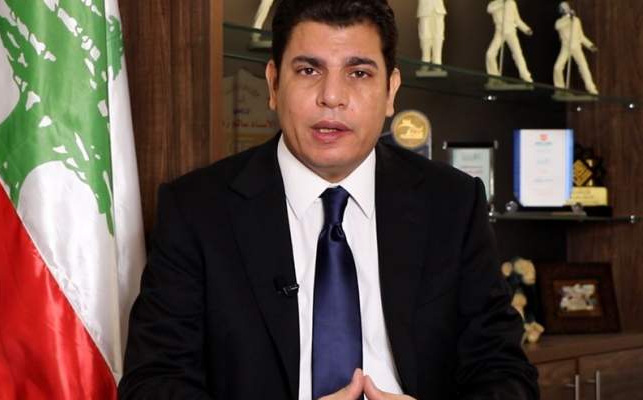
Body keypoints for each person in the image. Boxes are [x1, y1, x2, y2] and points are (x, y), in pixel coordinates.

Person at [118, 1, 539, 399]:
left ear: (391, 90)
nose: (332, 96)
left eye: (359, 73)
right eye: (308, 70)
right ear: (273, 83)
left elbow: (505, 372)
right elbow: (153, 382)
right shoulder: (196, 210)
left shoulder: (452, 203)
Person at [552, 2, 598, 94]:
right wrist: (569, 18)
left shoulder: (576, 21)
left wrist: (590, 45)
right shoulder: (559, 22)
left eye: (566, 7)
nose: (565, 9)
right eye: (563, 8)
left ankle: (591, 89)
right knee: (557, 67)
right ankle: (560, 89)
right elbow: (558, 27)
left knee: (584, 68)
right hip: (566, 48)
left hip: (577, 47)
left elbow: (581, 36)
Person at [485, 0, 534, 82]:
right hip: (500, 32)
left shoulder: (512, 3)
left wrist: (526, 29)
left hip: (511, 32)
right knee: (490, 54)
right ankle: (494, 78)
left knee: (518, 55)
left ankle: (526, 77)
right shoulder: (494, 3)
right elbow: (489, 9)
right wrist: (502, 3)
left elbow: (517, 20)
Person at [416, 0, 446, 66]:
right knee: (425, 35)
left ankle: (437, 62)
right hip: (424, 8)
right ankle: (425, 62)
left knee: (438, 36)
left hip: (438, 8)